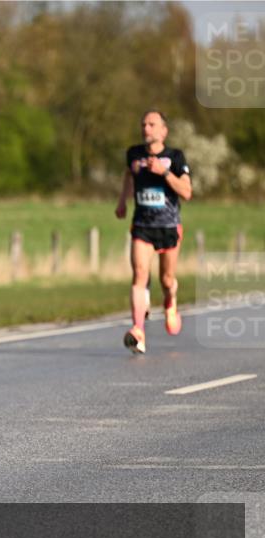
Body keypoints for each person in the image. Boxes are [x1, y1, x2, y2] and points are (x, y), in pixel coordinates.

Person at [115, 109, 192, 354]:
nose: (146, 128)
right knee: (139, 274)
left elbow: (187, 192)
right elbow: (128, 175)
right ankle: (138, 331)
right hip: (142, 226)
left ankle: (170, 301)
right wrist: (122, 201)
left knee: (166, 279)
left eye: (151, 124)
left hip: (169, 227)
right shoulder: (133, 154)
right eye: (143, 124)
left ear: (163, 131)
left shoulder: (175, 157)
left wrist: (164, 172)